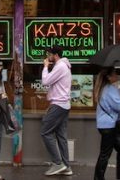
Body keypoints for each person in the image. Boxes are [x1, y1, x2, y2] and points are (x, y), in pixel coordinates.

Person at [94, 67, 120, 180]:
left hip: (107, 125)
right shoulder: (110, 89)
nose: (117, 76)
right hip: (108, 126)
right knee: (105, 154)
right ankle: (99, 178)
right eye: (115, 74)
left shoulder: (104, 88)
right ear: (109, 77)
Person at [41, 44, 73, 176]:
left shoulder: (60, 66)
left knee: (45, 132)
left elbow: (45, 81)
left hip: (59, 105)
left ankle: (57, 163)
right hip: (62, 104)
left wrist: (45, 67)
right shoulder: (63, 66)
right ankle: (66, 166)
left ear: (55, 55)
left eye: (49, 54)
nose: (47, 57)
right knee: (61, 136)